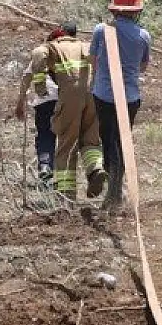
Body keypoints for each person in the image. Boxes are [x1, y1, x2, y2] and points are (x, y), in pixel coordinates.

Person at [28, 21, 107, 203]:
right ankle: (95, 168)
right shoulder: (85, 45)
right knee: (90, 140)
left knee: (66, 143)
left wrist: (39, 84)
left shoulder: (53, 46)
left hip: (71, 96)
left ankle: (65, 196)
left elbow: (38, 54)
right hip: (94, 95)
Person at [89, 0, 152, 210]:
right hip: (130, 97)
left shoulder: (100, 30)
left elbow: (94, 62)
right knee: (123, 142)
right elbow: (143, 66)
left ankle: (114, 191)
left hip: (105, 96)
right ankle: (118, 188)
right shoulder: (143, 35)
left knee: (108, 141)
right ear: (136, 11)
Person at [15, 25, 72, 185]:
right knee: (65, 139)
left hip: (44, 102)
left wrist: (20, 102)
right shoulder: (70, 54)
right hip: (66, 101)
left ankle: (45, 166)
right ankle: (64, 178)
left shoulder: (42, 55)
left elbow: (27, 77)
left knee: (45, 136)